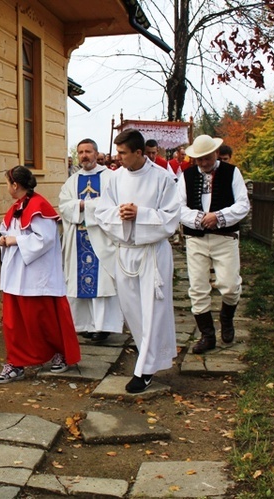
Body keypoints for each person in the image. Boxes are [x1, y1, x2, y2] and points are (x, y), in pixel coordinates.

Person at [94, 128, 181, 394]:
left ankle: (144, 370)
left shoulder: (163, 178)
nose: (117, 158)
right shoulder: (115, 178)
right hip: (126, 250)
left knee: (153, 310)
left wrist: (140, 214)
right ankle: (148, 356)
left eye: (122, 153)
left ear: (139, 153)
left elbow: (171, 217)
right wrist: (119, 214)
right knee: (133, 310)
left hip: (152, 252)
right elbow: (102, 210)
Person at [0, 166, 81, 383]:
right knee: (14, 323)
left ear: (15, 185)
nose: (7, 187)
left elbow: (45, 238)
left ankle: (56, 354)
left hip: (35, 276)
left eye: (7, 183)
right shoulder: (17, 206)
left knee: (41, 320)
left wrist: (14, 240)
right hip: (16, 274)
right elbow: (10, 230)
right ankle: (16, 362)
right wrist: (4, 239)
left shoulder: (38, 206)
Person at [178, 135, 250, 353]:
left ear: (216, 154)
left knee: (230, 286)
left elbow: (243, 204)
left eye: (207, 158)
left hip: (225, 237)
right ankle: (207, 336)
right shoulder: (187, 175)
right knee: (198, 288)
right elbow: (178, 206)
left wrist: (218, 216)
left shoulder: (231, 172)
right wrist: (199, 218)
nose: (203, 163)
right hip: (196, 238)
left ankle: (226, 319)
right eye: (198, 159)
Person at [59, 139, 124, 343]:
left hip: (103, 238)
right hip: (78, 238)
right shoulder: (72, 180)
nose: (84, 155)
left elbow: (113, 205)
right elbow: (64, 205)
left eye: (88, 151)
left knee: (103, 283)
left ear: (97, 153)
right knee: (78, 283)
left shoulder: (111, 178)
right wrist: (80, 205)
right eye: (81, 152)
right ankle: (84, 324)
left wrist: (83, 206)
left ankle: (103, 326)